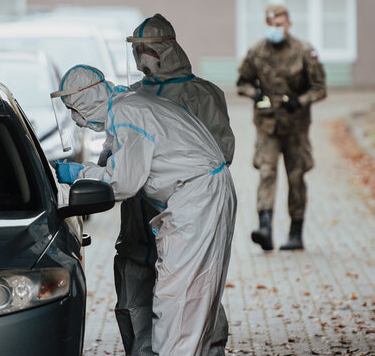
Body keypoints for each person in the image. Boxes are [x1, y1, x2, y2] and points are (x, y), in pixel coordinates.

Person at [53, 65, 237, 356]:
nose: (76, 120)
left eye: (73, 108)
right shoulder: (126, 106)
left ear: (85, 99)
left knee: (178, 299)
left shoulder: (127, 114)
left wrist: (79, 172)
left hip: (196, 201)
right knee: (189, 297)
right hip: (196, 197)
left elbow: (122, 183)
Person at [110, 13, 235, 356]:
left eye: (145, 49)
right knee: (137, 309)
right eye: (136, 50)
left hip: (186, 223)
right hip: (138, 230)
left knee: (193, 303)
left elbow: (219, 153)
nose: (139, 57)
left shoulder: (202, 94)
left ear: (165, 49)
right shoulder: (130, 97)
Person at [236, 3, 327, 252]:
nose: (276, 29)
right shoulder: (256, 52)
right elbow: (242, 82)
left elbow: (319, 88)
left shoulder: (304, 52)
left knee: (296, 177)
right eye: (272, 25)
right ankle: (264, 227)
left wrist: (301, 101)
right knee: (267, 172)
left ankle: (295, 233)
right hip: (267, 125)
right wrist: (254, 94)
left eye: (280, 24)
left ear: (288, 24)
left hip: (296, 127)